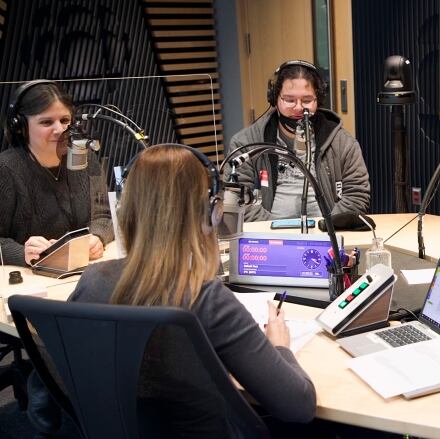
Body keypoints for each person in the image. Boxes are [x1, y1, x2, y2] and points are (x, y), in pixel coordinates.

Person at [49, 144, 315, 436]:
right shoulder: (207, 298)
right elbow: (298, 405)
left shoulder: (93, 280)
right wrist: (280, 346)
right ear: (210, 213)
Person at [229, 60, 370, 221]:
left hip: (327, 236)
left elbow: (357, 196)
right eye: (289, 100)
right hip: (269, 237)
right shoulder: (246, 143)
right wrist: (275, 233)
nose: (298, 108)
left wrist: (328, 228)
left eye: (307, 101)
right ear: (275, 99)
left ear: (318, 100)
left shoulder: (342, 143)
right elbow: (237, 200)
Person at [0, 80, 113, 266]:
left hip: (84, 271)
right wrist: (23, 253)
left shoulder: (85, 158)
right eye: (46, 122)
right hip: (30, 281)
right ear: (20, 127)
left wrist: (98, 236)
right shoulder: (5, 169)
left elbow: (104, 215)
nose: (60, 130)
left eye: (65, 121)